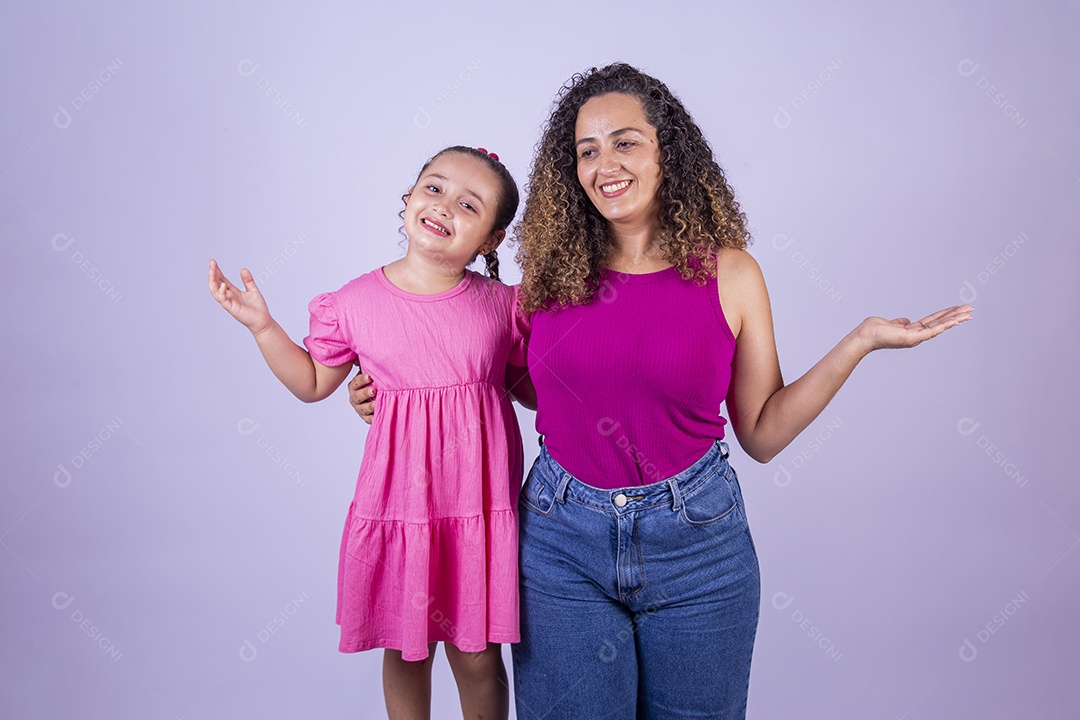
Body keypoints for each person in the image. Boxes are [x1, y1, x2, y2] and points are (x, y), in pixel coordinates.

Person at [350, 64, 973, 719]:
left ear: (667, 151)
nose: (604, 164)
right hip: (561, 544)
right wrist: (383, 391)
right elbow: (493, 373)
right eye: (587, 151)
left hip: (699, 546)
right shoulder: (548, 278)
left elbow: (761, 432)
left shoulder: (731, 274)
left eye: (625, 142)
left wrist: (861, 341)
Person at [209, 145, 530, 720]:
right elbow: (311, 381)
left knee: (477, 655)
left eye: (468, 204)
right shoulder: (355, 303)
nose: (443, 207)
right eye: (433, 188)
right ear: (408, 198)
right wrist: (263, 326)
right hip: (402, 507)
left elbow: (530, 387)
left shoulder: (503, 307)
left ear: (491, 240)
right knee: (406, 652)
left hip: (476, 509)